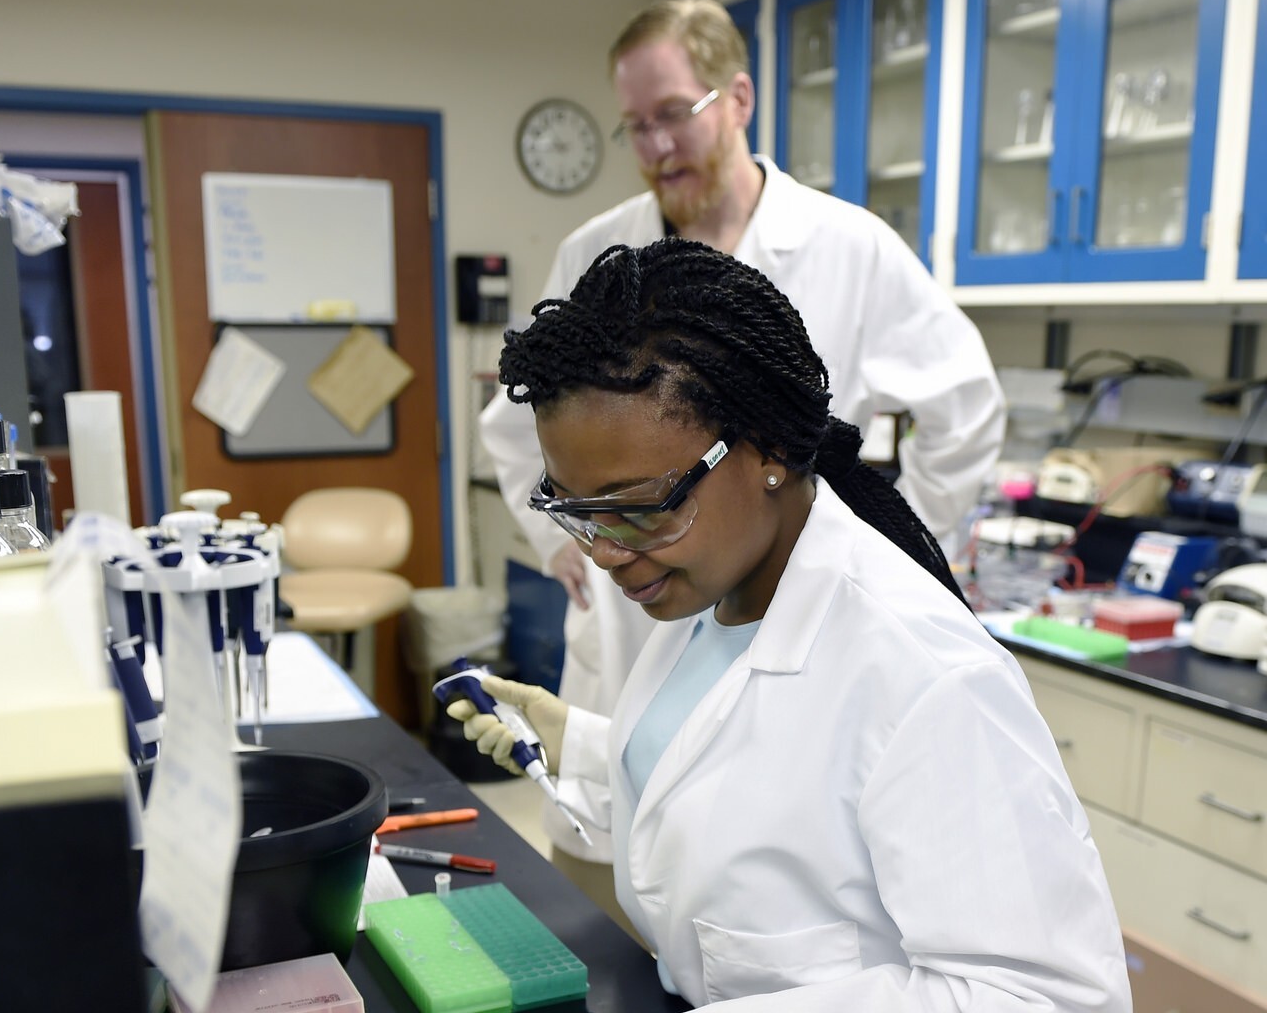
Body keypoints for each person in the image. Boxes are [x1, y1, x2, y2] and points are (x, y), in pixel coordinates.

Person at [451, 240, 1126, 1011]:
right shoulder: (712, 586)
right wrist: (597, 745)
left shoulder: (930, 678)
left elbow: (1049, 995)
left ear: (766, 451)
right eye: (575, 509)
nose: (606, 551)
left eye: (637, 506)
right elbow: (763, 784)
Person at [477, 0, 1006, 883]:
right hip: (639, 629)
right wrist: (565, 539)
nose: (655, 148)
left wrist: (890, 547)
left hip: (798, 628)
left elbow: (966, 408)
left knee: (776, 876)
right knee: (620, 878)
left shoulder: (850, 248)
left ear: (739, 97)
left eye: (672, 115)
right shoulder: (598, 251)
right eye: (635, 127)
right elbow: (513, 421)